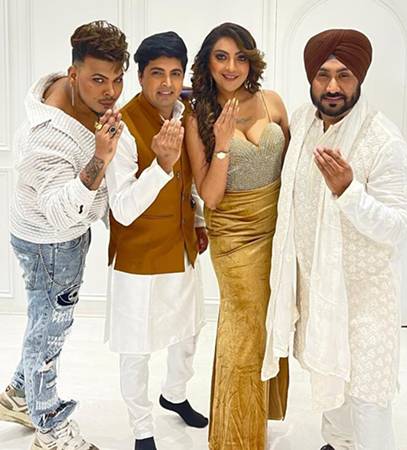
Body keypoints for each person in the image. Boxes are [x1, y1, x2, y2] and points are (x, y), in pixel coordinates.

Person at [262, 29, 407, 450]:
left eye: (344, 75)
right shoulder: (303, 124)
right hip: (320, 288)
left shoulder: (383, 141)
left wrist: (349, 192)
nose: (332, 86)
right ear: (311, 77)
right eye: (323, 75)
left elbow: (397, 226)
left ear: (359, 78)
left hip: (366, 298)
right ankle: (337, 443)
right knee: (329, 378)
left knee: (367, 394)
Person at [0, 21, 129, 450]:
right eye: (98, 80)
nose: (110, 92)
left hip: (57, 236)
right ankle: (49, 428)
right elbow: (58, 213)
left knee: (43, 320)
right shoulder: (45, 138)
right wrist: (101, 157)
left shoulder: (74, 92)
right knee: (50, 332)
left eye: (116, 79)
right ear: (73, 74)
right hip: (49, 243)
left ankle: (20, 395)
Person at [186, 22, 290, 450]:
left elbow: (293, 168)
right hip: (233, 235)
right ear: (207, 63)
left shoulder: (272, 101)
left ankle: (257, 415)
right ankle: (235, 437)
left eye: (240, 57)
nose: (231, 67)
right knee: (243, 322)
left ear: (252, 61)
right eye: (221, 57)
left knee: (269, 319)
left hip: (277, 228)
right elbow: (210, 196)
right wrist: (223, 143)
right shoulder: (197, 116)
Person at [105, 31, 208, 450]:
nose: (167, 83)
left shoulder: (186, 112)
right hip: (139, 257)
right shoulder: (121, 126)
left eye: (175, 73)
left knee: (189, 331)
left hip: (181, 247)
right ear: (140, 76)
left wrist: (198, 220)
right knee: (137, 348)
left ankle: (175, 394)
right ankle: (142, 429)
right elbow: (122, 209)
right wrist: (162, 165)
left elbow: (193, 179)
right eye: (157, 73)